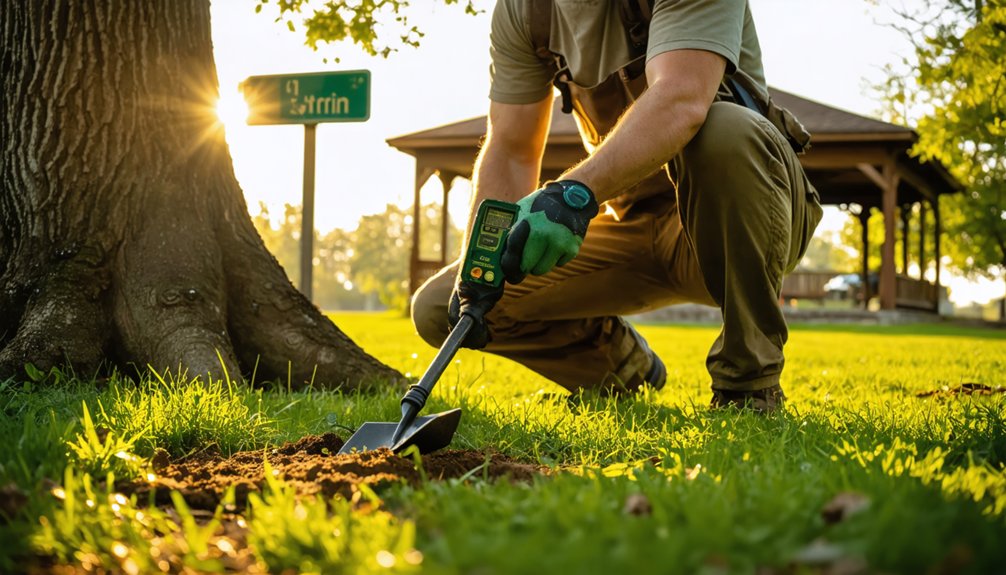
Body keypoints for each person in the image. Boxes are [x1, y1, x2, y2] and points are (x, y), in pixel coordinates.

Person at [411, 0, 823, 412]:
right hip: (628, 224)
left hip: (740, 220)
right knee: (442, 308)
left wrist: (571, 194)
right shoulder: (524, 11)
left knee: (725, 130)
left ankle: (749, 384)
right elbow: (510, 148)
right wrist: (480, 262)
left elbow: (682, 97)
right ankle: (621, 369)